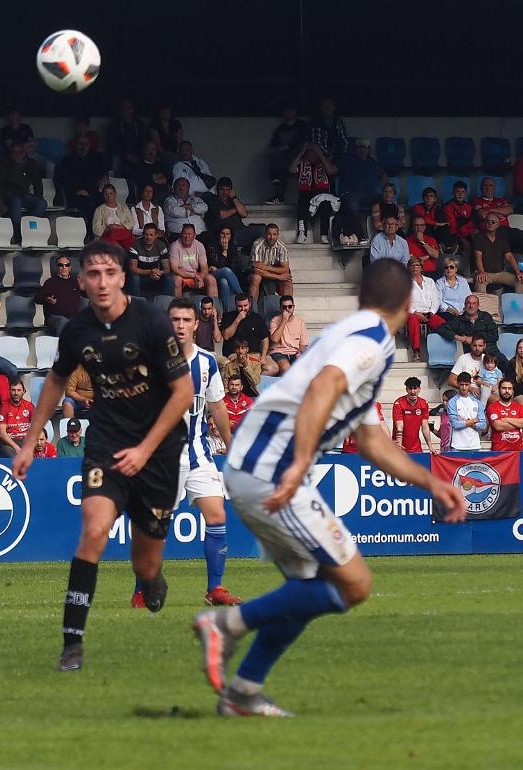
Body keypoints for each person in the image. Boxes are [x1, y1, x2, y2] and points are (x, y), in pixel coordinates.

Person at [193, 258, 465, 718]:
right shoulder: (373, 341)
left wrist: (430, 481)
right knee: (354, 584)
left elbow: (373, 440)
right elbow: (323, 389)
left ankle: (242, 692)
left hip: (255, 464)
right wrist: (300, 464)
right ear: (407, 304)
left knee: (308, 587)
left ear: (361, 298)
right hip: (272, 468)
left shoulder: (345, 336)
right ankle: (226, 623)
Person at [12, 240, 194, 673]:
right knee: (93, 532)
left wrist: (145, 449)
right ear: (81, 282)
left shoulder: (150, 321)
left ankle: (151, 579)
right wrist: (29, 441)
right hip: (108, 444)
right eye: (92, 274)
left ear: (122, 277)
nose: (101, 282)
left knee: (144, 562)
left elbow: (183, 393)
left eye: (109, 273)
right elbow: (56, 382)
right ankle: (71, 644)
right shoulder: (76, 331)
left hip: (159, 452)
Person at [160, 297, 242, 608]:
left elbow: (218, 406)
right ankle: (144, 586)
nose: (180, 325)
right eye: (175, 320)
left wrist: (231, 446)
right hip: (163, 458)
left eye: (185, 320)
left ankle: (215, 589)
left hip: (199, 453)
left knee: (218, 514)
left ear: (196, 324)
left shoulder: (207, 362)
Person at [0, 140, 46, 242]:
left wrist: (38, 196)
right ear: (10, 153)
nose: (17, 155)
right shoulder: (4, 163)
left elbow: (37, 183)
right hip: (8, 195)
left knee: (41, 203)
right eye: (14, 152)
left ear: (24, 152)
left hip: (24, 195)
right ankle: (18, 236)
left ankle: (26, 228)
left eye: (20, 152)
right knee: (16, 202)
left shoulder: (30, 163)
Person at [55, 137, 108, 224]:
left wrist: (103, 179)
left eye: (86, 145)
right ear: (76, 145)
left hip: (92, 193)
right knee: (88, 204)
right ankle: (89, 233)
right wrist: (78, 191)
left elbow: (101, 175)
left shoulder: (93, 160)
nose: (83, 147)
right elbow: (62, 180)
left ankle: (102, 232)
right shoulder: (67, 161)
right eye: (80, 144)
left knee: (105, 200)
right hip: (75, 194)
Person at [265, 107, 308, 204]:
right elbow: (274, 146)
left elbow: (300, 143)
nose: (288, 112)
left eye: (291, 110)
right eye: (286, 110)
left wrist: (286, 147)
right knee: (277, 159)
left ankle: (305, 197)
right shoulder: (280, 129)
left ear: (295, 112)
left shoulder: (301, 125)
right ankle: (279, 195)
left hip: (300, 157)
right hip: (285, 161)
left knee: (281, 158)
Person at [471, 213, 520, 292]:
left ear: (498, 224)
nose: (490, 224)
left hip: (500, 273)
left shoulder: (502, 238)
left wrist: (518, 272)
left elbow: (509, 256)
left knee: (520, 281)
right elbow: (478, 257)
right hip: (484, 272)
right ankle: (482, 305)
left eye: (493, 222)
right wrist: (482, 272)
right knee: (480, 283)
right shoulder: (479, 237)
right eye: (488, 221)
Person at [169, 224, 217, 301]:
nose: (186, 237)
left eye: (189, 234)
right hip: (181, 276)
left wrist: (200, 278)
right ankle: (178, 307)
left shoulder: (199, 245)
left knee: (210, 278)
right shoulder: (175, 246)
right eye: (184, 234)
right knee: (176, 280)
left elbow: (204, 267)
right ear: (181, 234)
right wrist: (192, 276)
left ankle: (214, 308)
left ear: (194, 236)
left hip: (195, 275)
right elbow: (174, 268)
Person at [35, 256, 83, 335]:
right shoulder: (50, 282)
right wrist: (47, 299)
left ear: (70, 268)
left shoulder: (75, 283)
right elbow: (37, 298)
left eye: (66, 265)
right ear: (57, 267)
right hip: (55, 318)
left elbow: (89, 294)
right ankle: (62, 346)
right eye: (61, 265)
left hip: (73, 318)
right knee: (63, 321)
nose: (64, 267)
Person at [405, 258, 440, 361]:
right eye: (412, 265)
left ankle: (439, 352)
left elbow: (436, 300)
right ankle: (416, 352)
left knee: (441, 323)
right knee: (413, 321)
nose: (415, 267)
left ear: (421, 268)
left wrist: (431, 312)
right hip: (412, 312)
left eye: (417, 265)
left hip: (429, 312)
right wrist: (415, 312)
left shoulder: (430, 281)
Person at [248, 225, 292, 302]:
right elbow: (256, 270)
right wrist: (278, 276)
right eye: (269, 234)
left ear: (278, 235)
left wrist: (265, 267)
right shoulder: (257, 245)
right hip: (259, 274)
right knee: (256, 278)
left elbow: (285, 269)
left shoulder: (282, 247)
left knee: (287, 281)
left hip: (268, 271)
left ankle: (287, 308)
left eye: (274, 234)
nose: (272, 237)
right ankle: (252, 310)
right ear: (265, 234)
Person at [391, 377, 436, 453]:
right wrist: (399, 447)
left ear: (419, 389)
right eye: (410, 389)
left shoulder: (423, 403)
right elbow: (399, 428)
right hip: (399, 446)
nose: (412, 391)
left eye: (415, 388)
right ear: (406, 389)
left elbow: (425, 426)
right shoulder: (398, 403)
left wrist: (430, 446)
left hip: (416, 448)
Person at [0, 381, 37, 459]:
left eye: (19, 390)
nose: (16, 393)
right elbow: (2, 433)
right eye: (13, 390)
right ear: (9, 391)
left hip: (25, 440)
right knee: (14, 457)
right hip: (9, 442)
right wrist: (16, 447)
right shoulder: (3, 407)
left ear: (24, 391)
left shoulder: (29, 406)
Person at [266, 295, 309, 373]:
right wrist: (284, 321)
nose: (287, 309)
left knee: (303, 369)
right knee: (286, 368)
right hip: (279, 352)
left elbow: (303, 344)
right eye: (284, 307)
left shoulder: (300, 322)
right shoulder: (275, 320)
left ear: (293, 307)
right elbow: (275, 339)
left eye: (290, 306)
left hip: (294, 352)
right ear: (280, 308)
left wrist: (300, 353)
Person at [221, 294, 271, 359]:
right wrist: (238, 319)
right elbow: (226, 336)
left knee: (273, 367)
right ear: (235, 305)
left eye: (245, 306)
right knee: (245, 364)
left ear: (249, 304)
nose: (243, 309)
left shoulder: (257, 318)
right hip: (236, 354)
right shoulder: (228, 316)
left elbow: (265, 339)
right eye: (240, 306)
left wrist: (263, 355)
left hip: (255, 353)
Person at [447, 372, 486, 450]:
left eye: (466, 384)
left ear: (470, 384)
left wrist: (465, 421)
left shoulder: (477, 402)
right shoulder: (452, 402)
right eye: (461, 384)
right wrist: (473, 421)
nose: (464, 388)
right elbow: (455, 424)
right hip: (457, 446)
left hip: (475, 445)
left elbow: (483, 425)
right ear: (458, 384)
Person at [91, 184, 134, 250]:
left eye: (111, 193)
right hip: (108, 235)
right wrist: (108, 228)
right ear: (103, 196)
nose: (109, 196)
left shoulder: (123, 207)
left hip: (122, 234)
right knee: (111, 239)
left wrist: (119, 227)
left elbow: (131, 223)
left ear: (115, 194)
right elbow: (96, 228)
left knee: (132, 241)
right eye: (106, 194)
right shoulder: (99, 209)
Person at [487, 379, 523, 452]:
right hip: (499, 452)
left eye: (509, 388)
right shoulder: (492, 407)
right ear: (499, 390)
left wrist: (506, 420)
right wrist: (517, 424)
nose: (507, 391)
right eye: (504, 388)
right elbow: (498, 426)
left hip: (517, 452)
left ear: (513, 391)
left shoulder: (519, 407)